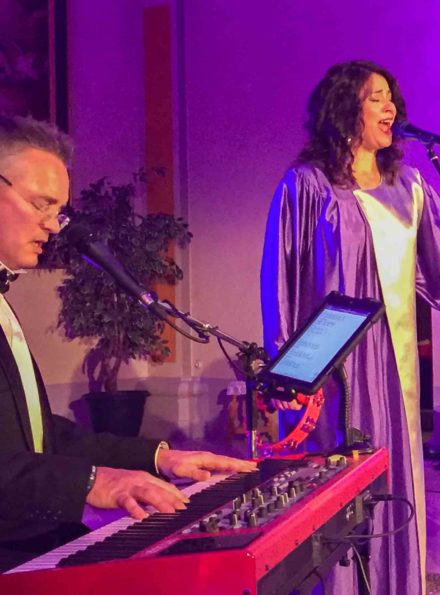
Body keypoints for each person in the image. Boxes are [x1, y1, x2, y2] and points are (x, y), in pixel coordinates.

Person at [260, 60, 440, 594]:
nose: (390, 106)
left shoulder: (409, 185)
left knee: (397, 489)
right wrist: (286, 372)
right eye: (376, 97)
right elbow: (282, 278)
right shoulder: (307, 186)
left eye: (391, 97)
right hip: (335, 377)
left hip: (397, 373)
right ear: (345, 107)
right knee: (336, 500)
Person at [0, 115, 257, 571]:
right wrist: (92, 482)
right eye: (42, 204)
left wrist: (161, 457)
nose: (54, 226)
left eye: (57, 211)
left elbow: (41, 438)